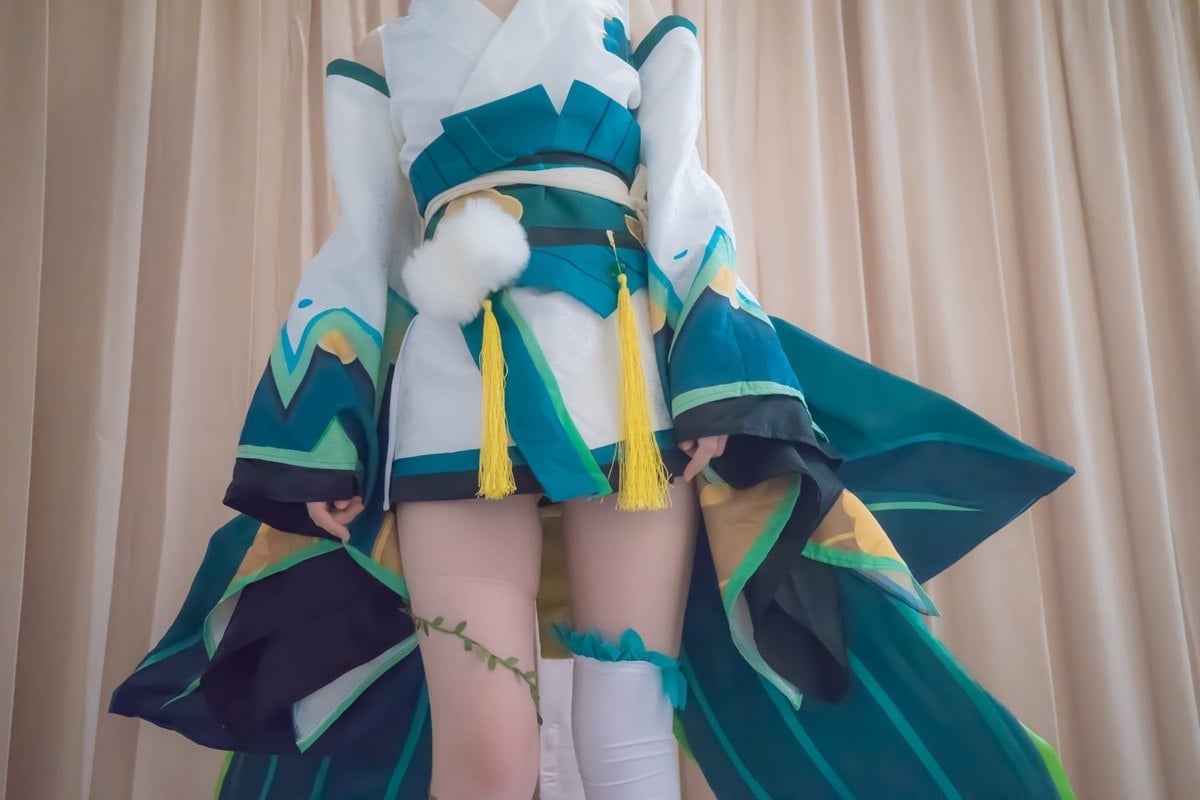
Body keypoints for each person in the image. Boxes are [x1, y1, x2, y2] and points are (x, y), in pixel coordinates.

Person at [112, 1, 1077, 798]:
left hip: (625, 398)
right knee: (487, 762)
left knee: (626, 739)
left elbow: (687, 205)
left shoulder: (640, 29)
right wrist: (326, 433)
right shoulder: (380, 53)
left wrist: (717, 390)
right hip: (452, 404)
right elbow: (364, 248)